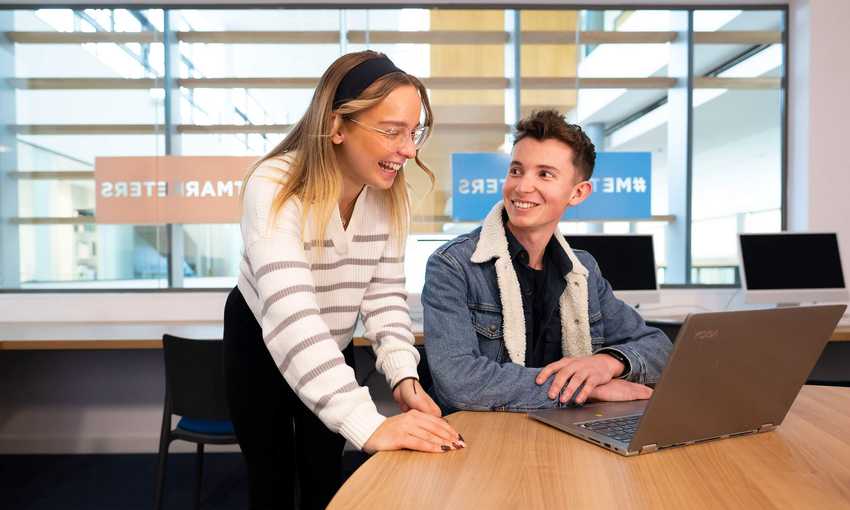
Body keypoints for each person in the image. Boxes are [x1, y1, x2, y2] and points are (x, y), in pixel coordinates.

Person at [223, 51, 463, 510]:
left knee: (325, 477)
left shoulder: (388, 196)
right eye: (392, 132)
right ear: (337, 127)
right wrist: (368, 423)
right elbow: (291, 314)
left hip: (330, 340)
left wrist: (402, 374)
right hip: (262, 338)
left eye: (413, 133)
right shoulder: (274, 186)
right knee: (271, 480)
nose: (408, 150)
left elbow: (384, 296)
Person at [422, 109, 672, 414]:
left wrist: (606, 364)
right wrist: (583, 389)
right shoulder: (454, 264)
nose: (522, 187)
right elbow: (459, 382)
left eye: (545, 174)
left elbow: (658, 347)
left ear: (578, 193)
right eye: (516, 170)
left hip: (562, 431)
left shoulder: (583, 271)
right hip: (481, 437)